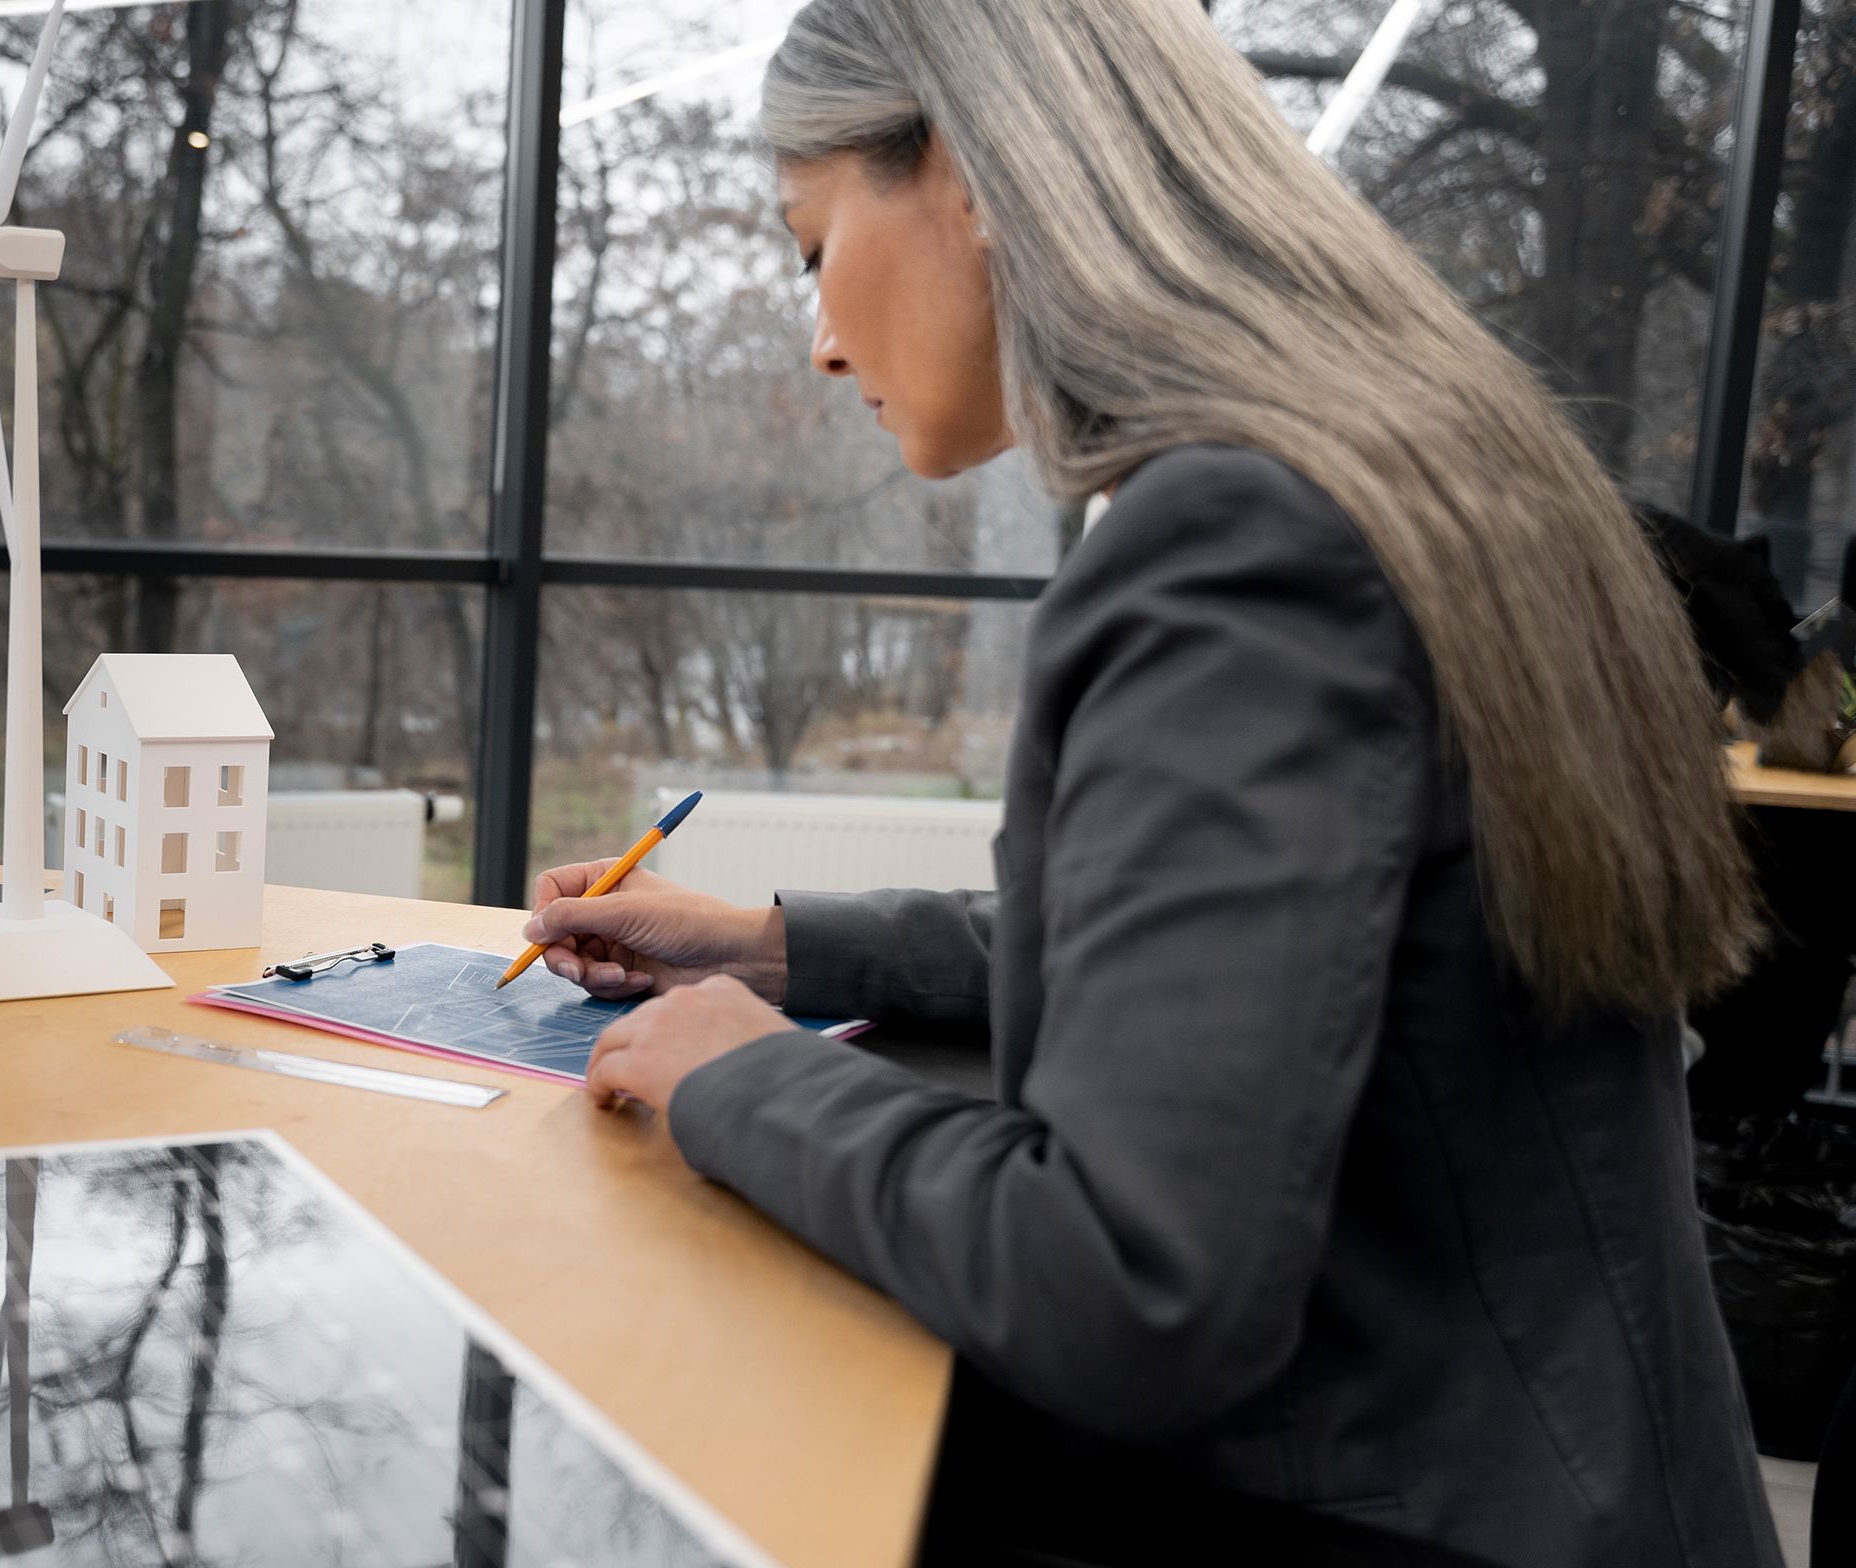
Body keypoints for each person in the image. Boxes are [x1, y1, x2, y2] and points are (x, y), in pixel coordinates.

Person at [522, 3, 1782, 1565]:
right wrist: (765, 949)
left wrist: (742, 1074)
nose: (823, 334)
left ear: (973, 174)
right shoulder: (1420, 473)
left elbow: (1128, 1286)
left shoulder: (1235, 546)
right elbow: (1242, 964)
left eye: (810, 245)